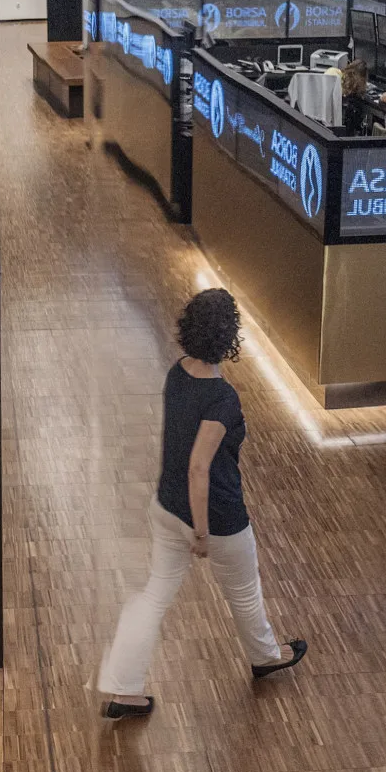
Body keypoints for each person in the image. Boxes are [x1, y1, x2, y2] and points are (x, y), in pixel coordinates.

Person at [96, 289, 305, 719]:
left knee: (153, 596)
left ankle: (123, 688)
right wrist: (202, 532)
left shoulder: (177, 373)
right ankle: (266, 657)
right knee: (244, 591)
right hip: (217, 518)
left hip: (166, 508)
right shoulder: (222, 399)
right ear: (229, 336)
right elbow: (199, 467)